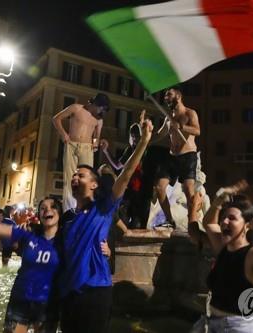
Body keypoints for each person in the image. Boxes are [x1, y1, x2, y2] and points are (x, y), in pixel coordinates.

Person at [59, 118, 154, 333]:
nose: (75, 177)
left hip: (95, 291)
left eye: (80, 175)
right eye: (74, 175)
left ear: (94, 184)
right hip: (68, 293)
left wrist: (144, 142)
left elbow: (126, 174)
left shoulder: (102, 208)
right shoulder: (66, 218)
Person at [191, 181, 253, 333]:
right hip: (216, 324)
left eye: (232, 218)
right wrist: (220, 199)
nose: (224, 221)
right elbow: (209, 224)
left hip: (243, 328)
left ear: (247, 225)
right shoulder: (225, 248)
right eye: (224, 217)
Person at [0, 173, 63, 333]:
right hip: (21, 298)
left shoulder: (66, 240)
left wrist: (106, 251)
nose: (47, 210)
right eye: (43, 208)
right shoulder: (27, 233)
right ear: (39, 215)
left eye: (53, 207)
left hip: (48, 303)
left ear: (59, 213)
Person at [53, 93, 110, 211]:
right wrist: (63, 134)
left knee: (87, 178)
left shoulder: (99, 120)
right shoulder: (76, 108)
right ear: (95, 104)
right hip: (71, 145)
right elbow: (56, 119)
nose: (101, 111)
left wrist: (95, 143)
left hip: (87, 149)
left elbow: (96, 136)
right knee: (69, 177)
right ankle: (69, 210)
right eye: (101, 108)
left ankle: (85, 208)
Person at [152, 87, 200, 228]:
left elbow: (197, 130)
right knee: (160, 188)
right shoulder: (169, 118)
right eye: (165, 96)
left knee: (188, 190)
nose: (166, 98)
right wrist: (145, 137)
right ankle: (169, 220)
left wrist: (181, 126)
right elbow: (160, 135)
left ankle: (193, 222)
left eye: (169, 95)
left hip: (188, 156)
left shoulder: (189, 113)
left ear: (178, 96)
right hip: (172, 157)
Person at [100, 115, 150, 228]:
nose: (134, 139)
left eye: (137, 136)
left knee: (140, 219)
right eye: (132, 136)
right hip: (129, 188)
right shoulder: (129, 150)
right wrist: (106, 151)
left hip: (143, 189)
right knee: (125, 213)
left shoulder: (146, 148)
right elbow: (118, 166)